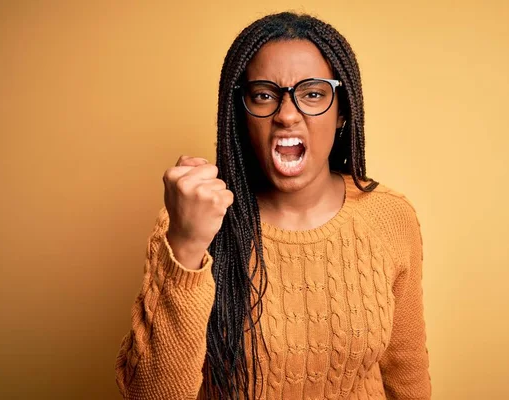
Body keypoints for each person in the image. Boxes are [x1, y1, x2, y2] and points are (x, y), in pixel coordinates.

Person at [115, 11, 431, 400]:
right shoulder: (191, 222)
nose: (286, 114)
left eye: (313, 93)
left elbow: (407, 374)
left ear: (342, 112)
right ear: (241, 113)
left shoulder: (389, 217)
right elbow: (149, 395)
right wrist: (186, 245)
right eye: (264, 94)